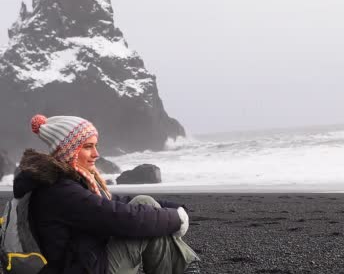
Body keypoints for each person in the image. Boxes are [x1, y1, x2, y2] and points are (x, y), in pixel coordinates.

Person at [13, 114, 203, 274]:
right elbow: (120, 218)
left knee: (145, 203)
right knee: (146, 223)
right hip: (81, 268)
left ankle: (184, 266)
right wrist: (176, 219)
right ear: (68, 151)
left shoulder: (64, 182)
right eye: (88, 147)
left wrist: (174, 208)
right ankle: (185, 267)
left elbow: (112, 203)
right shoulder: (59, 191)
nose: (96, 153)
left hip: (82, 260)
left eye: (95, 146)